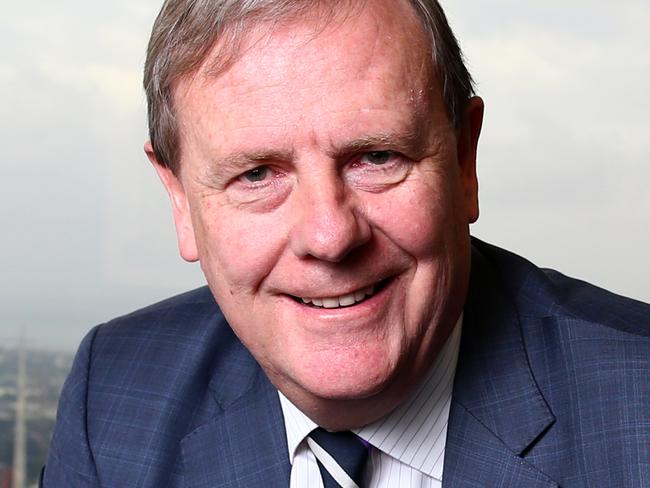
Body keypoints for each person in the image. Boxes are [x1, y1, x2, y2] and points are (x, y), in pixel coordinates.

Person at [43, 0, 650, 486]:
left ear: (464, 160)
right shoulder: (114, 394)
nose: (330, 237)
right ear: (180, 199)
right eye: (256, 174)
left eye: (377, 157)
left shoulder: (637, 410)